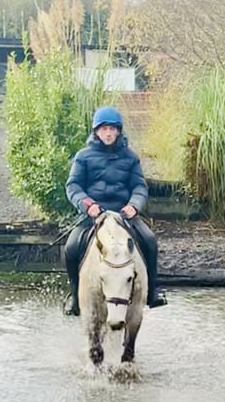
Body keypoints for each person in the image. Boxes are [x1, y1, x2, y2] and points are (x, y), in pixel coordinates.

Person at [62, 105, 168, 316]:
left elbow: (139, 186)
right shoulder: (83, 156)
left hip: (123, 215)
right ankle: (75, 296)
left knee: (149, 240)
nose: (108, 134)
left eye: (112, 129)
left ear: (119, 131)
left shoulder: (130, 157)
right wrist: (88, 205)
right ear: (96, 132)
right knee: (71, 248)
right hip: (94, 215)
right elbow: (73, 186)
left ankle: (152, 291)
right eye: (104, 129)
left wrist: (134, 205)